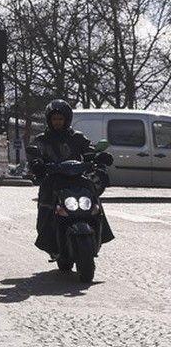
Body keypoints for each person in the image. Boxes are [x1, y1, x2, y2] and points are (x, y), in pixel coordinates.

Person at [27, 98, 113, 257]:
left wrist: (100, 157)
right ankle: (49, 242)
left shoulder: (77, 137)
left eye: (60, 119)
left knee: (94, 201)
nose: (57, 122)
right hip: (53, 180)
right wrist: (36, 165)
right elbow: (34, 156)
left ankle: (101, 232)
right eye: (54, 119)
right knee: (46, 205)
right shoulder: (41, 140)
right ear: (49, 120)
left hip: (77, 178)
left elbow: (89, 151)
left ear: (67, 119)